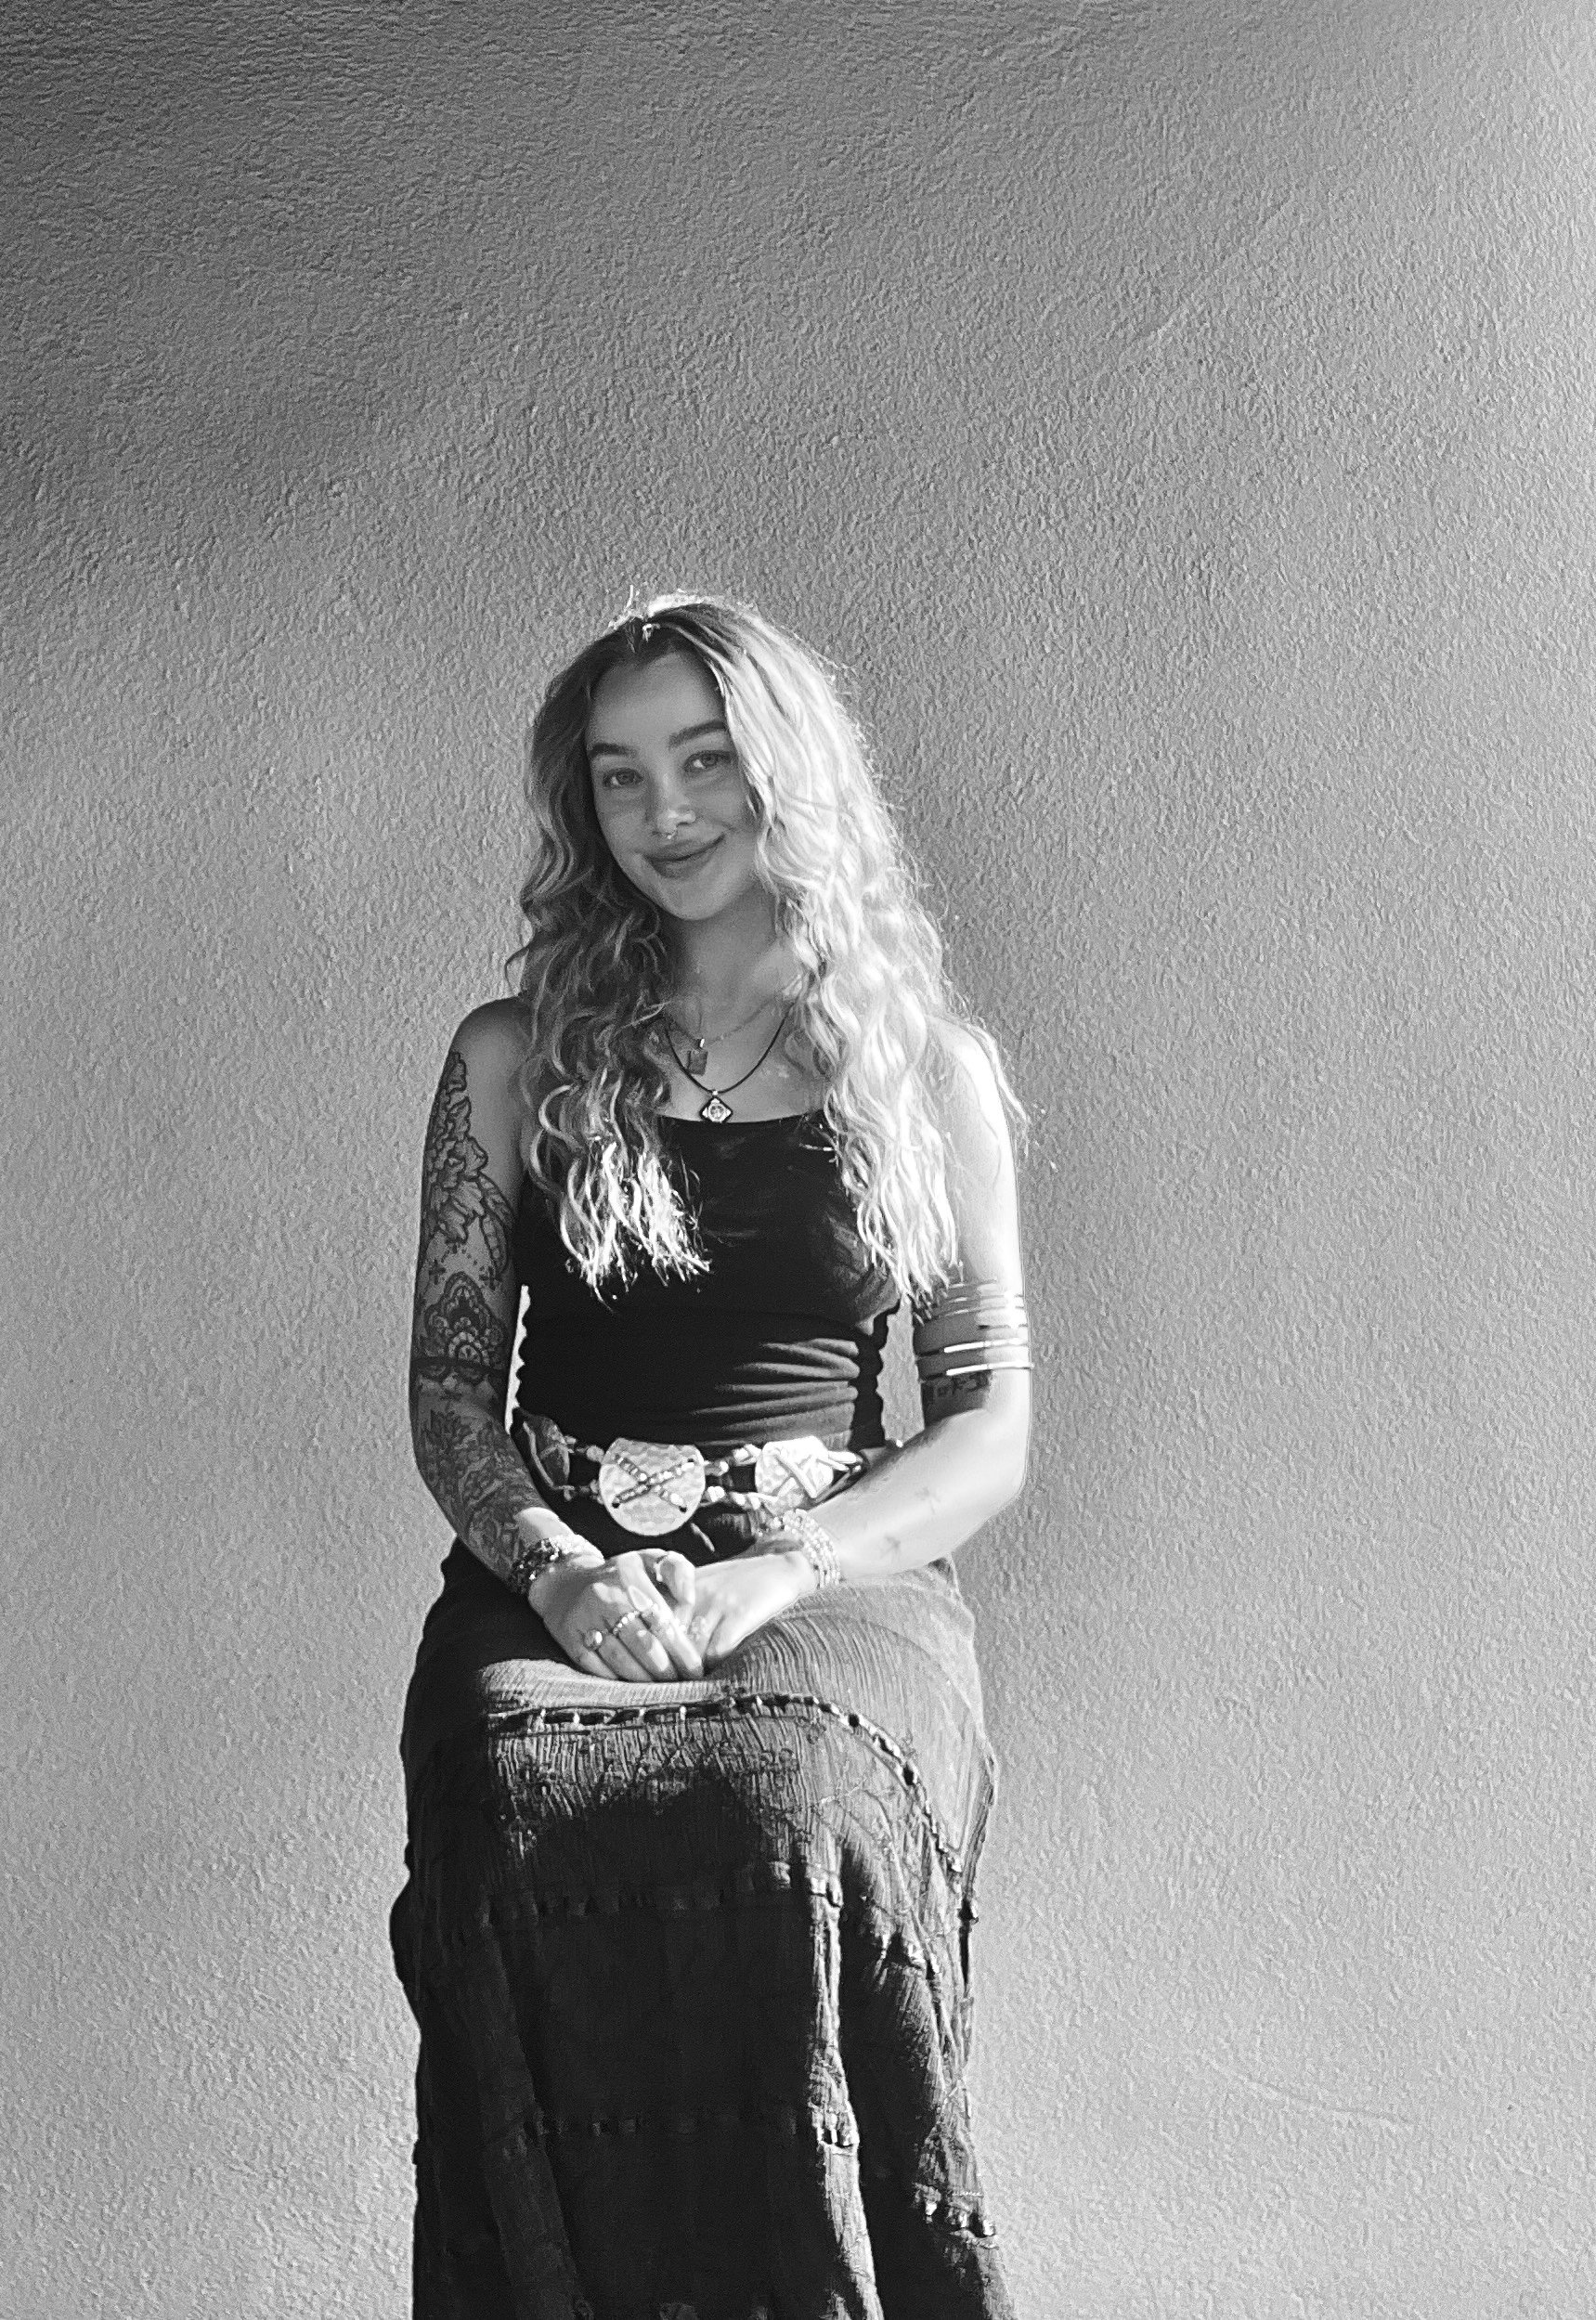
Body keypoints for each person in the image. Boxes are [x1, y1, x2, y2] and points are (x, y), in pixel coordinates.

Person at [393, 596, 1031, 2320]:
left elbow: (988, 1424)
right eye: (619, 780)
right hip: (559, 1562)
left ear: (792, 776)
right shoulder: (511, 1061)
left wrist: (787, 1570)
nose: (665, 814)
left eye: (706, 762)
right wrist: (564, 1571)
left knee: (797, 1810)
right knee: (514, 1802)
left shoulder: (924, 1072)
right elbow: (455, 1391)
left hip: (833, 1568)